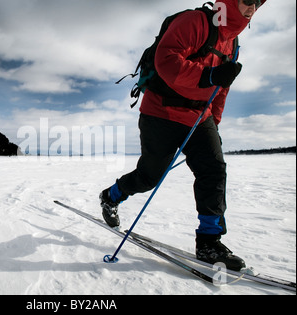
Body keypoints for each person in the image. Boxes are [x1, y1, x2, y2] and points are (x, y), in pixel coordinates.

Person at [100, 0, 266, 272]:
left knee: (213, 171)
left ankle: (209, 243)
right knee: (149, 177)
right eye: (248, 0)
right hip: (160, 114)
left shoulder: (233, 44)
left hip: (201, 119)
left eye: (259, 3)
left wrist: (216, 123)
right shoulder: (195, 22)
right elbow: (165, 61)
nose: (252, 8)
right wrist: (210, 75)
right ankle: (111, 196)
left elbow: (220, 90)